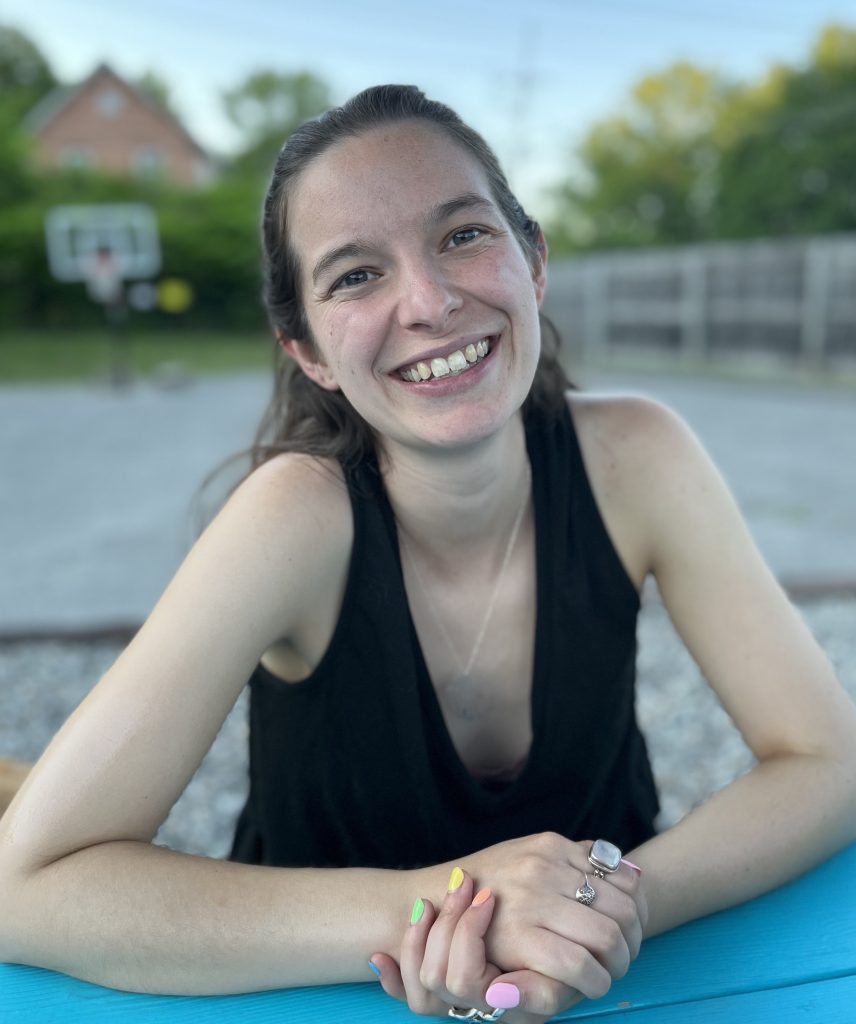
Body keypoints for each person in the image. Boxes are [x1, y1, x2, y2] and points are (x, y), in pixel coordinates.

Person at [1, 84, 855, 1023]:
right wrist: (446, 907)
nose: (432, 301)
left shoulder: (638, 457)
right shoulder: (293, 516)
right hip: (315, 997)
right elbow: (26, 888)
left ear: (533, 261)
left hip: (616, 992)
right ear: (309, 349)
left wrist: (598, 912)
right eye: (356, 275)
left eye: (461, 236)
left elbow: (829, 759)